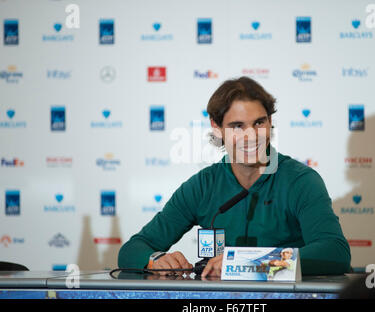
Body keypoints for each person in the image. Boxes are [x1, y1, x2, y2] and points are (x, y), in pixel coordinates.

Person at [118, 76, 351, 277]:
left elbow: (335, 252)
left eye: (259, 122)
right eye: (237, 126)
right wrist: (155, 258)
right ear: (217, 128)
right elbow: (132, 250)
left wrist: (250, 262)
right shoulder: (203, 186)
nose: (251, 136)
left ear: (270, 122)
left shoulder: (300, 181)